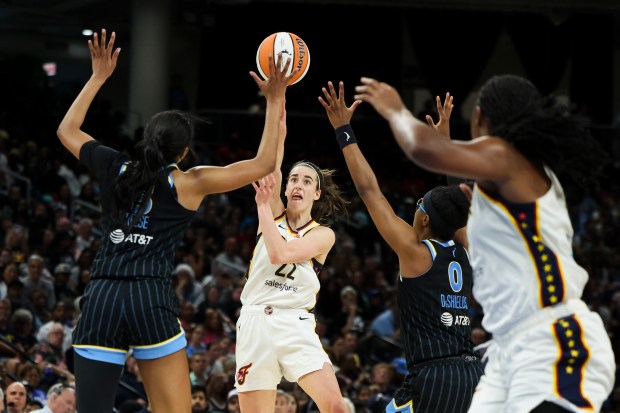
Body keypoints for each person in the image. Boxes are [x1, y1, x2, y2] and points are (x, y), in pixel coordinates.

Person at [56, 29, 295, 413]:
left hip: (101, 295)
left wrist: (98, 76)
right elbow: (264, 164)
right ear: (183, 152)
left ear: (147, 138)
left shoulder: (113, 164)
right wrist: (275, 99)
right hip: (148, 297)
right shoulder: (189, 181)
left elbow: (66, 130)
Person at [353, 74, 616, 412]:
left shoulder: (510, 158)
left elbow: (422, 149)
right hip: (507, 352)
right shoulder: (504, 192)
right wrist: (447, 146)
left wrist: (395, 111)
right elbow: (457, 211)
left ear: (479, 116)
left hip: (551, 340)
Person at [319, 80, 484, 412]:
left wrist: (343, 130)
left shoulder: (416, 252)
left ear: (424, 220)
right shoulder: (465, 246)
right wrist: (445, 144)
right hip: (471, 375)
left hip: (434, 375)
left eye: (419, 205)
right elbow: (459, 202)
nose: (414, 208)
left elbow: (369, 191)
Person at [234, 100, 349, 413]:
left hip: (294, 322)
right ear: (285, 189)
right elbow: (272, 161)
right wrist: (277, 116)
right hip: (256, 320)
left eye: (307, 181)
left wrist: (261, 210)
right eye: (294, 179)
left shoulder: (322, 234)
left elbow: (280, 252)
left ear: (317, 194)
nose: (298, 184)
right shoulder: (273, 213)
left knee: (337, 406)